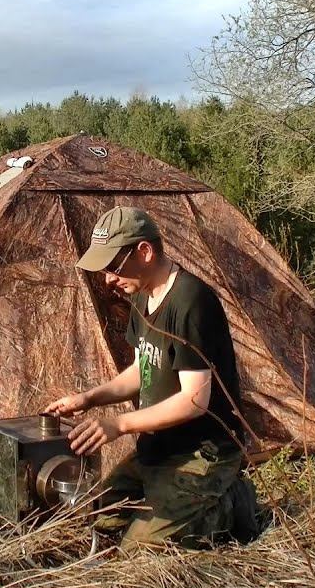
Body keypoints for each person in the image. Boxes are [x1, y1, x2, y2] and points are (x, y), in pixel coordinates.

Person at [44, 206, 267, 549]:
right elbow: (141, 370)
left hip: (202, 453)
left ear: (144, 252)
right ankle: (171, 499)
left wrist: (119, 424)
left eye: (113, 266)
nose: (107, 279)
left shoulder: (191, 301)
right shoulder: (142, 294)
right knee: (98, 520)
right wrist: (88, 399)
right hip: (158, 448)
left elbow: (194, 400)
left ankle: (229, 504)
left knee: (140, 550)